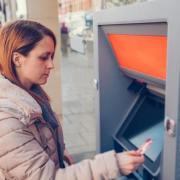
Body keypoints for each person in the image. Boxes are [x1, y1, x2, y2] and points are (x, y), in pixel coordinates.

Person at [0, 20, 144, 180]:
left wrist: (58, 152)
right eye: (43, 57)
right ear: (17, 59)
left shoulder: (31, 94)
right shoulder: (6, 120)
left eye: (52, 56)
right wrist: (114, 164)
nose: (51, 65)